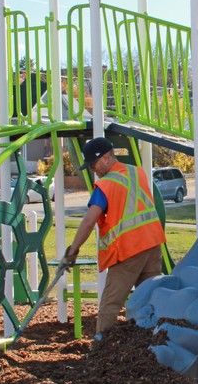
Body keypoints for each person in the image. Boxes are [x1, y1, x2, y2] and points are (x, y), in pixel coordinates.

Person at [64, 137, 166, 341]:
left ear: (105, 158)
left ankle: (101, 348)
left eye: (93, 164)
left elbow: (88, 222)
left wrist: (73, 249)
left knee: (111, 303)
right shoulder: (137, 173)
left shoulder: (107, 185)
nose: (93, 170)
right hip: (153, 244)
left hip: (129, 250)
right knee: (151, 299)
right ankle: (156, 343)